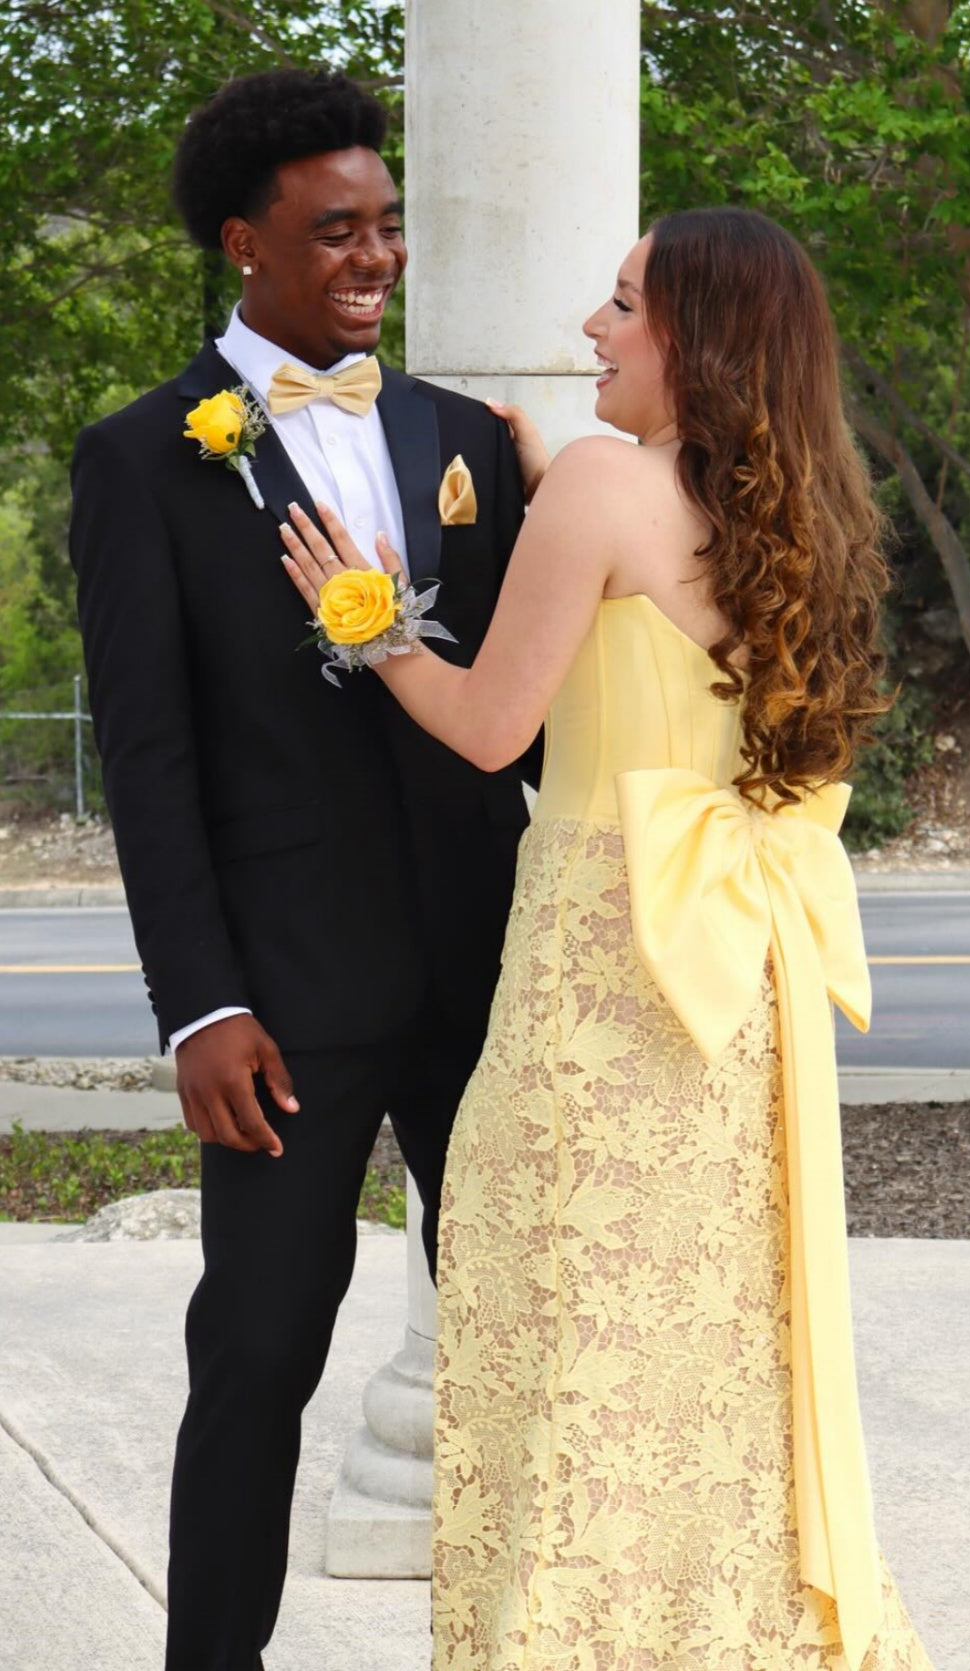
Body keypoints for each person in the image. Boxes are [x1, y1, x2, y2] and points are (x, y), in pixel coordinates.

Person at [280, 207, 936, 1669]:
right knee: (710, 1368)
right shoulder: (820, 517)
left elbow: (489, 726)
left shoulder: (594, 486)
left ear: (692, 342)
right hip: (736, 998)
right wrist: (554, 484)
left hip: (598, 981)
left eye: (622, 304)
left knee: (560, 1354)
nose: (590, 326)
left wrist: (367, 617)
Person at [68, 67, 537, 1671]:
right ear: (241, 244)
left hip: (493, 988)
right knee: (257, 1353)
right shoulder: (142, 460)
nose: (374, 258)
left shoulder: (471, 439)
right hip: (284, 1005)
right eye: (335, 230)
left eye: (388, 227)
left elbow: (528, 718)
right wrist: (200, 1005)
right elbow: (150, 757)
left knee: (537, 1351)